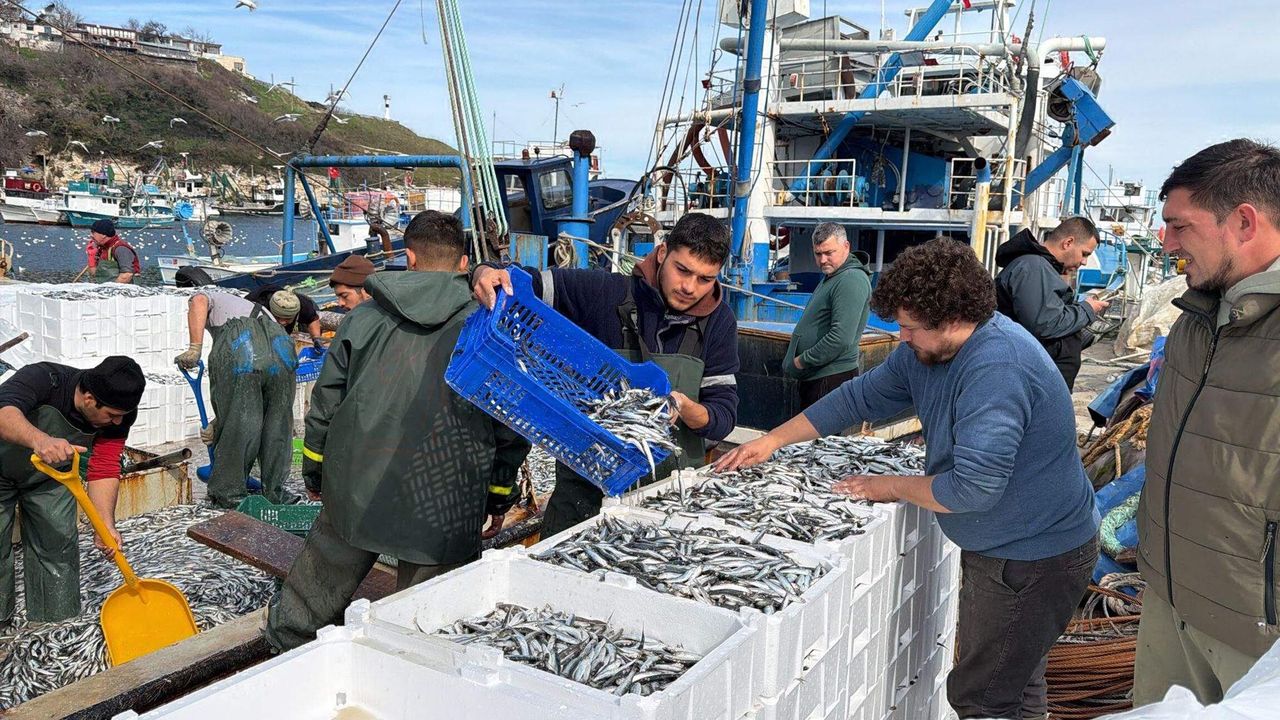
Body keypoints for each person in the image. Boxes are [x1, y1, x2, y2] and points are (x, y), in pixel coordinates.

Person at [717, 238, 1099, 720]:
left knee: (983, 698)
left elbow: (971, 489)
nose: (901, 338)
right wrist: (773, 440)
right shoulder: (928, 352)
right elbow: (856, 399)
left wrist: (889, 485)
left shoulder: (997, 367)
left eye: (909, 327)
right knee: (1016, 682)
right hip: (1013, 543)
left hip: (1034, 557)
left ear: (953, 320)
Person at [264, 211, 525, 651]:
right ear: (465, 265)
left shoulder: (362, 319)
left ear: (410, 258)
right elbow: (510, 425)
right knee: (425, 625)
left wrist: (316, 473)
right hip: (445, 501)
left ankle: (283, 651)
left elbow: (324, 405)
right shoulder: (490, 331)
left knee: (315, 588)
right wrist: (499, 495)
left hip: (356, 484)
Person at [472, 212, 740, 537]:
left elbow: (723, 416)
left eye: (705, 279)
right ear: (662, 253)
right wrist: (483, 272)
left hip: (667, 508)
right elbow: (522, 284)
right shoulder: (604, 293)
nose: (689, 287)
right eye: (682, 270)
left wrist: (683, 406)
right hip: (581, 502)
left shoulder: (719, 322)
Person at [1134, 139, 1280, 705]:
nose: (1165, 242)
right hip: (1170, 600)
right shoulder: (1196, 318)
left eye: (1179, 226)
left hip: (1257, 635)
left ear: (1243, 222)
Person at [0, 356, 145, 625]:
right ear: (89, 399)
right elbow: (3, 413)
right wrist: (40, 440)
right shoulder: (44, 378)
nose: (117, 422)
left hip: (50, 477)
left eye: (122, 416)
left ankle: (55, 624)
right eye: (111, 415)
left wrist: (104, 525)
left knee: (58, 546)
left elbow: (104, 466)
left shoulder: (120, 412)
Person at [174, 289, 298, 508]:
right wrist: (216, 424)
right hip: (282, 353)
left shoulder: (212, 295)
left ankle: (229, 494)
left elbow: (199, 300)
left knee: (240, 425)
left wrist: (194, 348)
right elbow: (254, 405)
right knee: (277, 425)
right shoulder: (265, 315)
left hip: (243, 349)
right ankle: (276, 493)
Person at [993, 217, 1109, 390]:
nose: (1084, 261)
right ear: (1068, 243)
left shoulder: (1041, 267)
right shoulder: (1033, 267)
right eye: (1084, 254)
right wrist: (1087, 310)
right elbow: (1045, 323)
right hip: (1029, 382)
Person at [782, 222, 871, 409]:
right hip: (819, 378)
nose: (823, 260)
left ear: (846, 246)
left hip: (829, 379)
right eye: (818, 254)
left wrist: (801, 361)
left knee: (819, 430)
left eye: (829, 253)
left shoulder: (850, 279)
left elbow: (841, 338)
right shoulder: (835, 276)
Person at [243, 284, 325, 348]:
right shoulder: (254, 310)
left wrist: (316, 339)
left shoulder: (303, 304)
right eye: (278, 317)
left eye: (287, 319)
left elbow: (312, 319)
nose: (282, 322)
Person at [85, 219, 139, 284]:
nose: (91, 235)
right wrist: (91, 257)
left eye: (93, 232)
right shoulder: (102, 248)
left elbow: (127, 275)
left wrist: (110, 289)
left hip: (125, 289)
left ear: (103, 235)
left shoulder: (120, 248)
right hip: (107, 287)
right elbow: (95, 275)